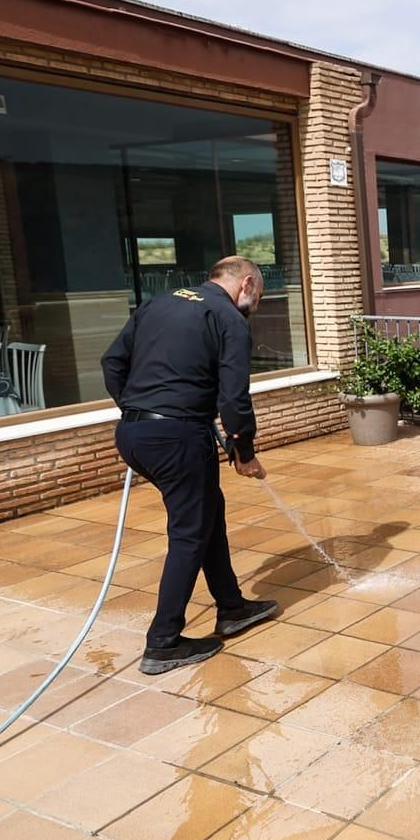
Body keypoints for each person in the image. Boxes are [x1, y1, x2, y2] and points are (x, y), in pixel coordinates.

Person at [102, 256, 280, 675]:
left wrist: (138, 409)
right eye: (258, 298)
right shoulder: (228, 318)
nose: (254, 306)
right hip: (176, 438)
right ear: (247, 284)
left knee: (205, 514)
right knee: (189, 533)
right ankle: (162, 642)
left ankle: (232, 607)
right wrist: (245, 451)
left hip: (133, 434)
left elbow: (112, 364)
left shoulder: (158, 303)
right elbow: (234, 397)